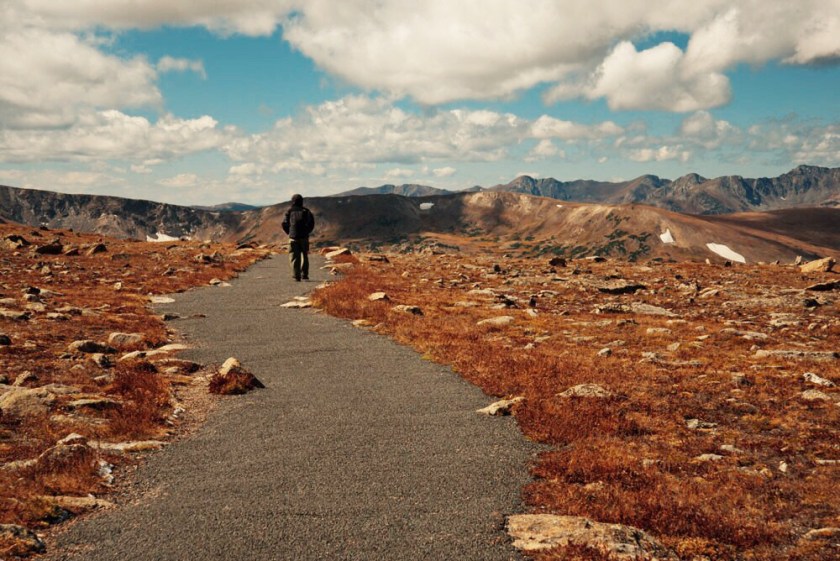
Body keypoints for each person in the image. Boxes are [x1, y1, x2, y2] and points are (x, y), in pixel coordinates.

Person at [281, 194, 315, 281]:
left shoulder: (289, 211)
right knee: (304, 255)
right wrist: (307, 232)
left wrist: (289, 232)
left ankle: (296, 275)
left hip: (293, 237)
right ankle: (304, 274)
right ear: (301, 201)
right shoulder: (306, 211)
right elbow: (311, 223)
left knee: (294, 256)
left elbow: (284, 223)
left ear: (292, 201)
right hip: (304, 237)